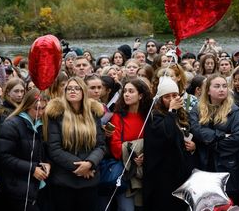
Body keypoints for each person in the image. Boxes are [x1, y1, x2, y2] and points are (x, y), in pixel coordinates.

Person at [44, 77, 106, 211]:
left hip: (90, 179)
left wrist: (90, 163)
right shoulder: (56, 115)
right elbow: (54, 149)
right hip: (64, 180)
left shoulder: (93, 113)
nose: (73, 91)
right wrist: (82, 168)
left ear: (83, 91)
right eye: (69, 88)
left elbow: (100, 145)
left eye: (77, 88)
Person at [189, 74, 239, 204]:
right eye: (217, 86)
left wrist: (208, 143)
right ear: (208, 90)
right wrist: (221, 135)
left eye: (224, 86)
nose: (222, 89)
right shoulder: (197, 109)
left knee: (226, 204)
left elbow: (237, 139)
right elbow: (196, 130)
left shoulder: (234, 110)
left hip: (227, 166)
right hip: (203, 165)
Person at [143, 77, 195, 211]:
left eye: (175, 95)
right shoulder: (155, 116)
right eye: (167, 96)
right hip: (163, 174)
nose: (172, 99)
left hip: (181, 171)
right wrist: (171, 111)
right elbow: (166, 134)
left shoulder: (182, 113)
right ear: (160, 99)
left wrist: (194, 146)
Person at [0, 89, 49, 210]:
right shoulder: (11, 125)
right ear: (26, 106)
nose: (40, 112)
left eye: (43, 108)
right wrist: (32, 169)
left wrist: (48, 164)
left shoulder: (42, 124)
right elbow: (5, 157)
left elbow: (45, 151)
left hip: (38, 186)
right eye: (36, 108)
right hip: (18, 186)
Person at [109, 78, 152, 210]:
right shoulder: (118, 116)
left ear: (140, 95)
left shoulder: (148, 116)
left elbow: (154, 141)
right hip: (125, 173)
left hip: (146, 172)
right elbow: (115, 145)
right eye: (125, 91)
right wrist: (133, 158)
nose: (126, 94)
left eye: (131, 91)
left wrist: (145, 156)